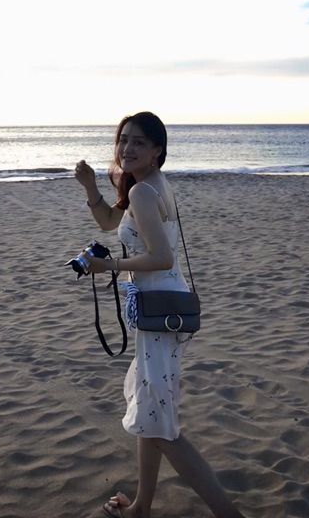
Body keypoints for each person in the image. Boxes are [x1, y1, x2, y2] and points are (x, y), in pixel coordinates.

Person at [75, 112, 246, 518]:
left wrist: (108, 266)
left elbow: (162, 256)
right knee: (149, 415)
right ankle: (140, 508)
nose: (127, 148)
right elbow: (109, 221)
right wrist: (90, 187)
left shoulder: (143, 191)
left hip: (160, 312)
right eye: (123, 140)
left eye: (138, 142)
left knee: (163, 428)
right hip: (161, 309)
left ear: (157, 150)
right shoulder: (149, 185)